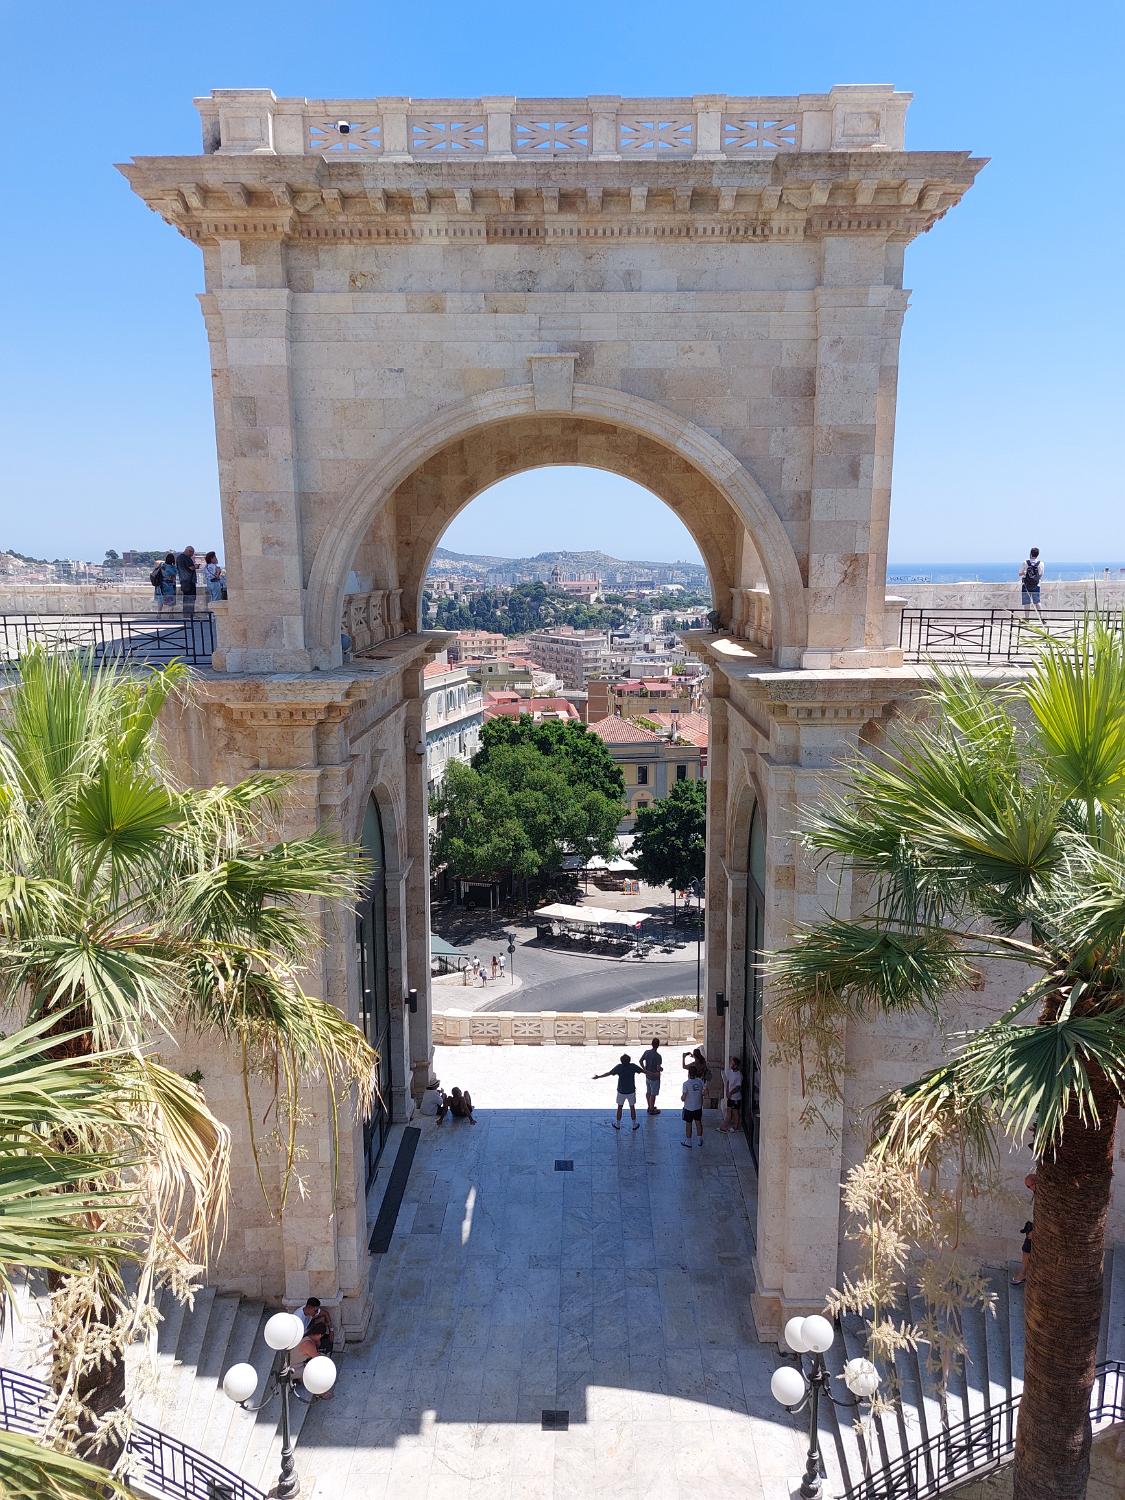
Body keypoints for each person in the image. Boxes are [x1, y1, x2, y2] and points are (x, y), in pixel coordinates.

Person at [593, 1053, 647, 1130]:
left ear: (621, 1061)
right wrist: (654, 1074)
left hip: (621, 1091)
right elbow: (644, 1071)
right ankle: (634, 1124)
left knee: (619, 1107)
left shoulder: (619, 1067)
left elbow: (609, 1073)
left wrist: (598, 1077)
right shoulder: (633, 1066)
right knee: (632, 1107)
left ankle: (618, 1125)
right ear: (629, 1060)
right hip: (631, 1091)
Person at [294, 1297, 334, 1373]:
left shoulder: (311, 1311)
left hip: (308, 1330)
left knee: (322, 1319)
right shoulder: (298, 1318)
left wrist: (331, 1331)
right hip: (301, 1337)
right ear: (309, 1308)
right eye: (315, 1311)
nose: (316, 1313)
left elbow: (325, 1313)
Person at [681, 1065, 706, 1148]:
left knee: (688, 1124)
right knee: (698, 1123)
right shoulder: (700, 1081)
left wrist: (682, 1098)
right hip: (698, 1107)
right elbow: (704, 1092)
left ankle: (688, 1142)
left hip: (689, 1108)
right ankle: (699, 1139)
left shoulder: (686, 1084)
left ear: (688, 1073)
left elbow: (684, 1097)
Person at [639, 1036, 663, 1116]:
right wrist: (661, 1069)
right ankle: (652, 1109)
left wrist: (644, 1069)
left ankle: (650, 1106)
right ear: (658, 1045)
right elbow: (658, 1068)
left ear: (652, 1044)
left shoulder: (646, 1052)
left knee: (648, 1092)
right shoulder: (658, 1056)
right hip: (655, 1077)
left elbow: (640, 1061)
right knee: (653, 1094)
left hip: (647, 1076)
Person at [1019, 547, 1043, 620]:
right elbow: (1041, 574)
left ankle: (1027, 619)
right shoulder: (1041, 563)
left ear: (1030, 553)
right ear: (1037, 554)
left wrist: (1025, 573)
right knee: (1037, 602)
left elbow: (1020, 574)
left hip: (1026, 585)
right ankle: (1041, 618)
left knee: (1027, 603)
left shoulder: (1025, 562)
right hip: (1036, 585)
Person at [720, 1055, 742, 1132]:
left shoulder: (739, 1075)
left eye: (733, 1064)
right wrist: (727, 1091)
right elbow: (728, 1082)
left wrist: (731, 1093)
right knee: (729, 1111)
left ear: (736, 1065)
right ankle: (724, 1126)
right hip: (730, 1096)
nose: (731, 1065)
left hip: (736, 1097)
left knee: (735, 1112)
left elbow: (738, 1087)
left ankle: (735, 1127)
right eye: (731, 1063)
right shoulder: (730, 1072)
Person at [175, 546, 199, 617]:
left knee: (186, 599)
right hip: (189, 581)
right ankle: (190, 615)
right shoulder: (186, 558)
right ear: (189, 551)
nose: (192, 555)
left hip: (183, 581)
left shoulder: (179, 558)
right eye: (192, 553)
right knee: (191, 598)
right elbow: (191, 568)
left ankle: (186, 614)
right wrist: (196, 566)